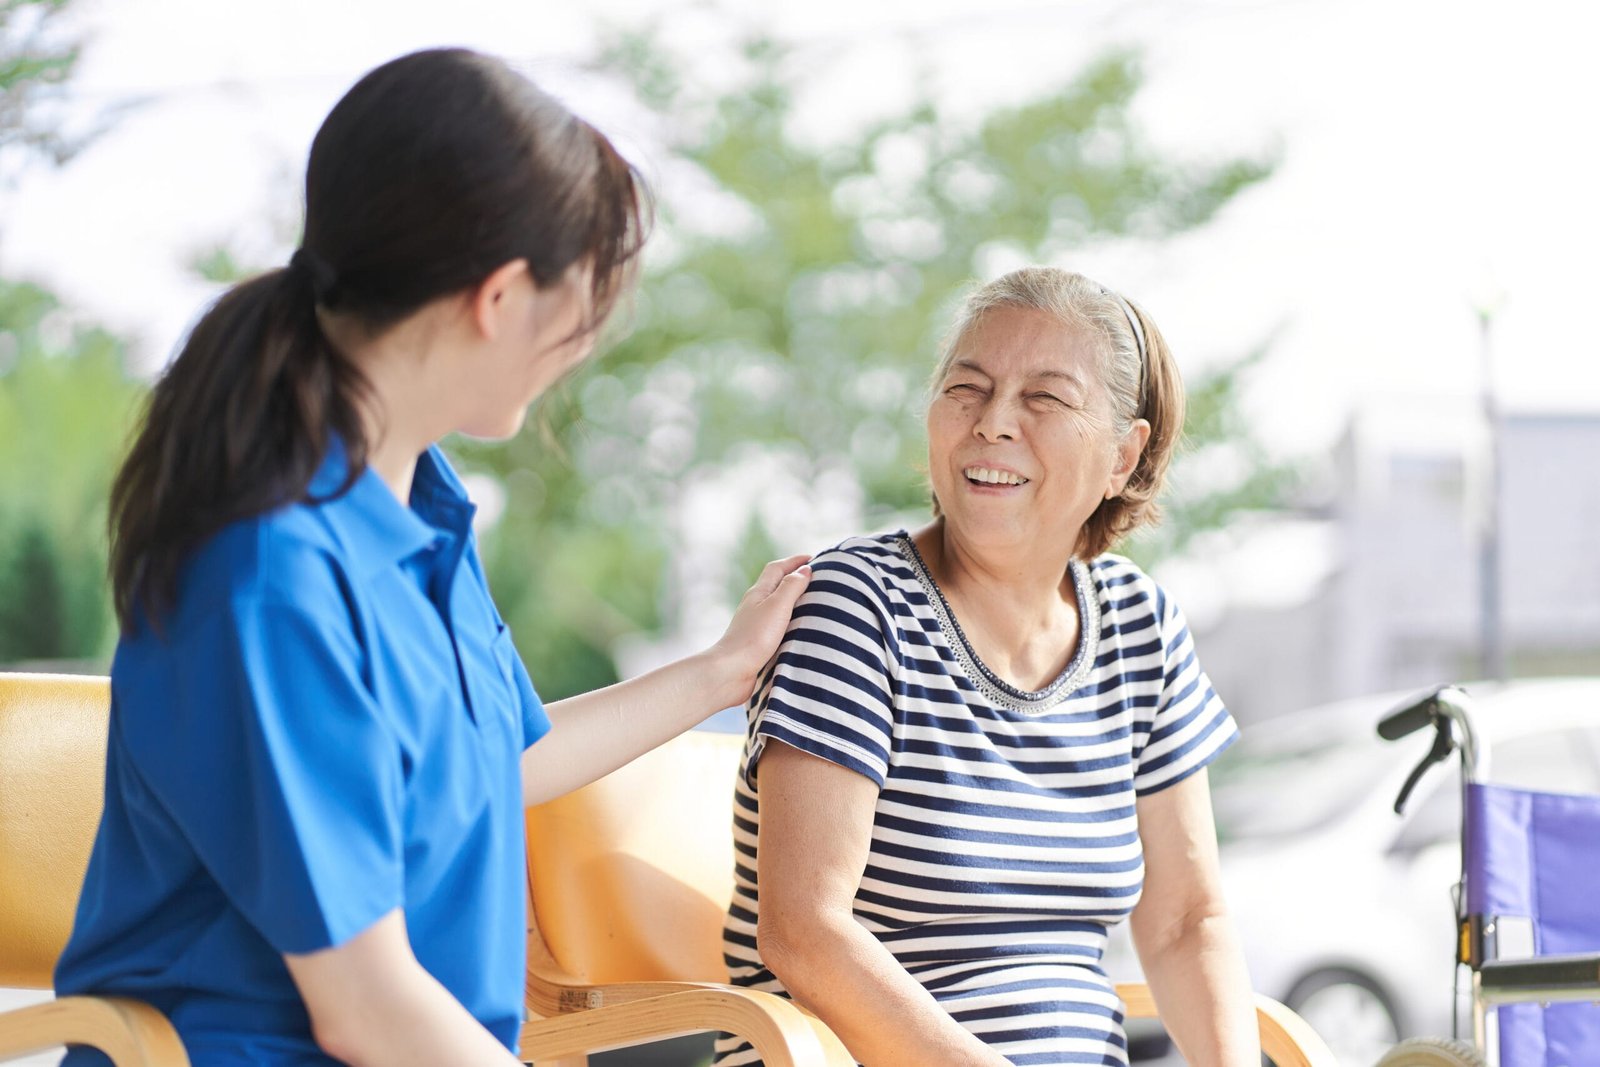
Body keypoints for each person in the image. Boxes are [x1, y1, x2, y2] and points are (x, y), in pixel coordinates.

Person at [53, 48, 811, 1067]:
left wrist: (720, 671)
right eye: (585, 304)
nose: (587, 341)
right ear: (500, 298)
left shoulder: (423, 511)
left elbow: (505, 759)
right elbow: (365, 1006)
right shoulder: (268, 575)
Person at [715, 266, 1259, 1067]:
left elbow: (1186, 922)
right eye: (966, 387)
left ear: (1122, 455)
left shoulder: (1143, 625)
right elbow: (804, 931)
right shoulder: (855, 606)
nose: (994, 422)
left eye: (1045, 398)